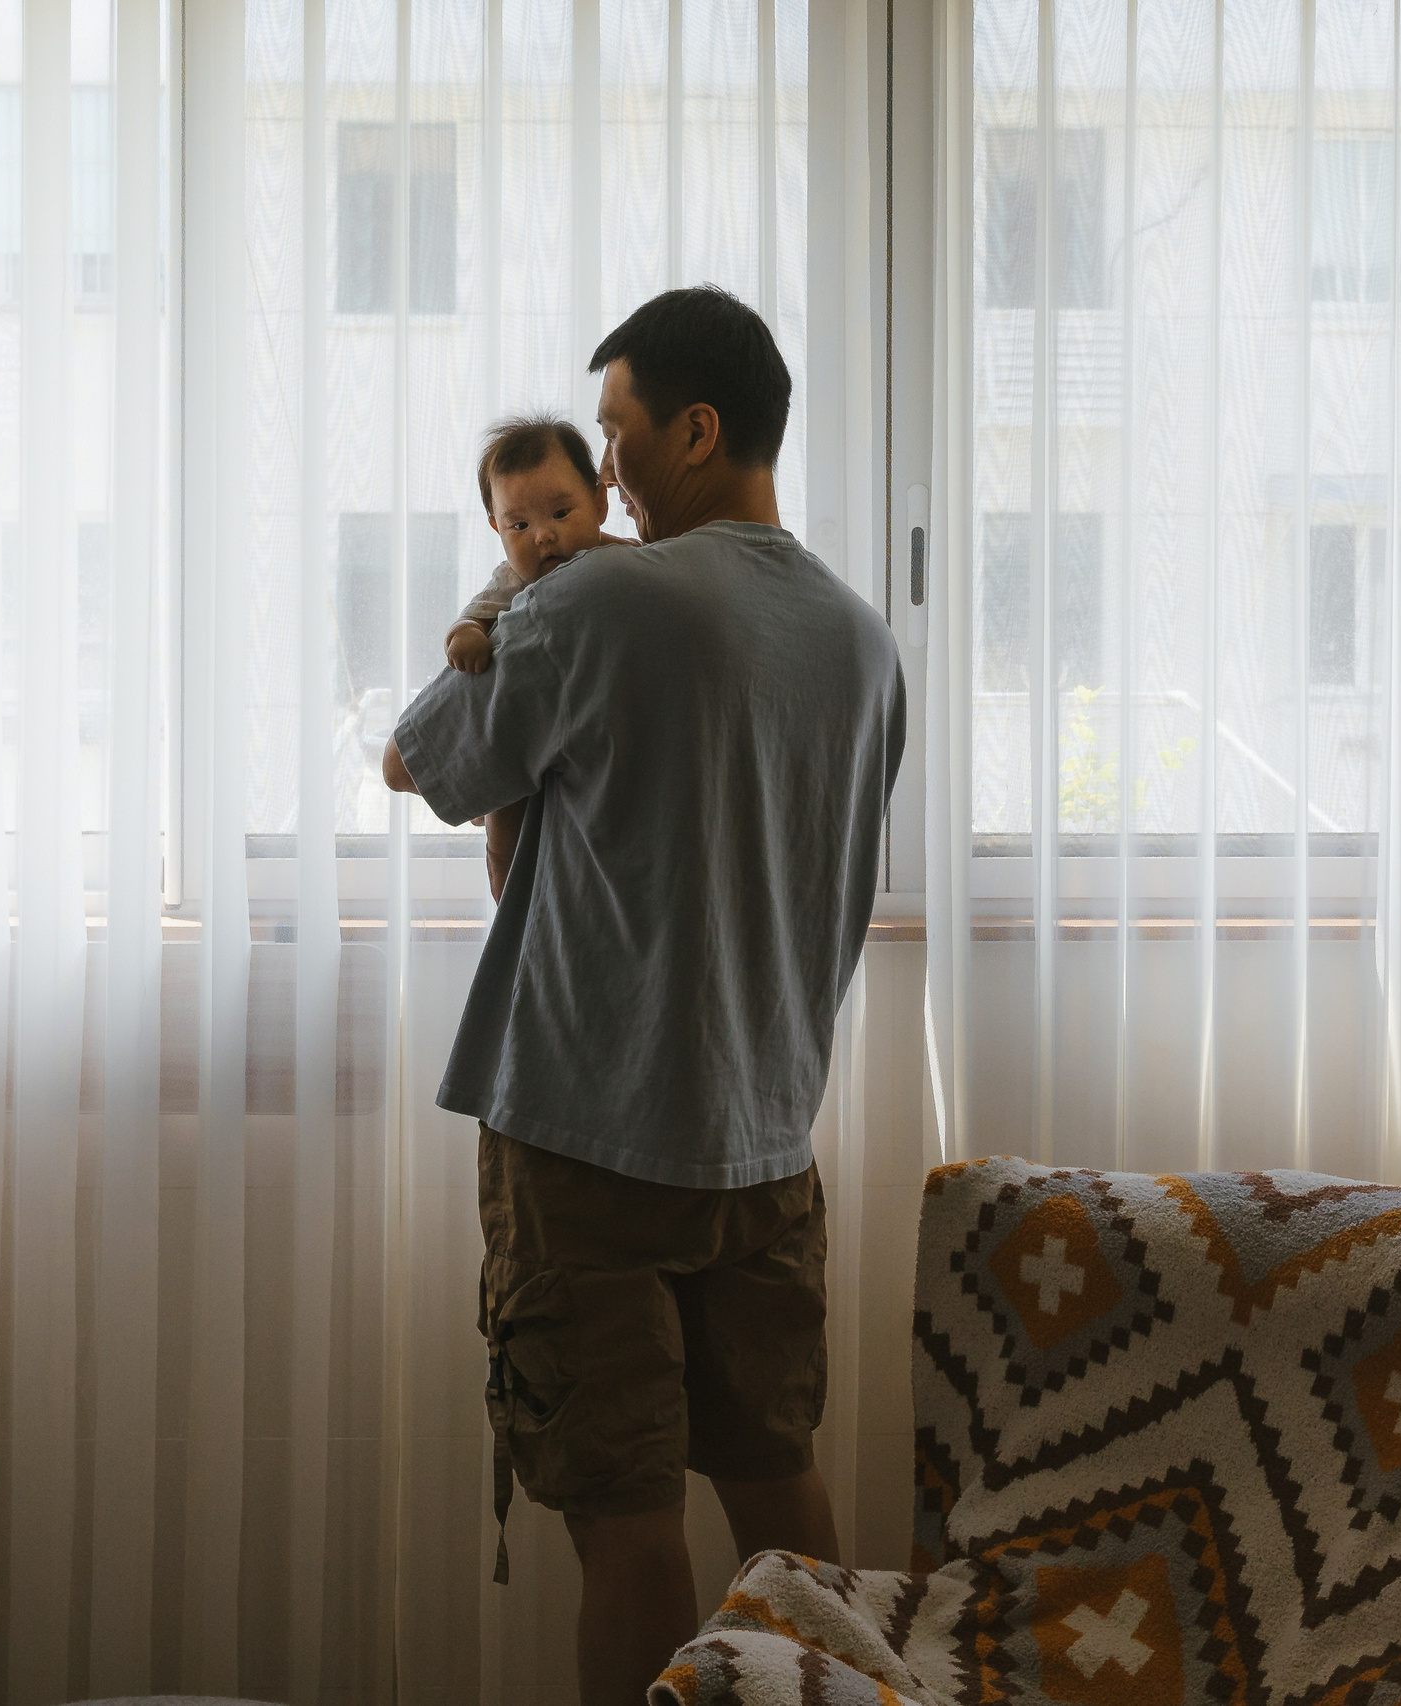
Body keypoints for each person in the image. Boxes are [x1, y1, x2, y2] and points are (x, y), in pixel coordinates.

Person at [381, 285, 906, 1706]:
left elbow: (426, 762)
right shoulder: (864, 643)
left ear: (696, 428)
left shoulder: (598, 596)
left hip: (587, 1138)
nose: (602, 472)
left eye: (615, 434)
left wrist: (505, 587)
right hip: (767, 1141)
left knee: (627, 1534)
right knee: (786, 1511)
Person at [442, 414, 632, 899]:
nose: (543, 535)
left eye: (561, 514)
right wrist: (467, 638)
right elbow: (469, 622)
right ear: (497, 529)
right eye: (520, 525)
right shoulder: (511, 580)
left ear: (599, 501)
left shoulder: (622, 558)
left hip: (589, 744)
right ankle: (508, 896)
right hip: (522, 746)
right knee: (506, 825)